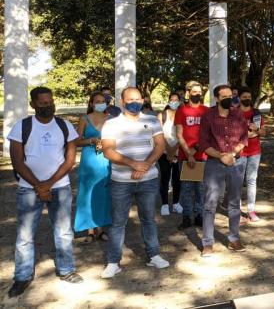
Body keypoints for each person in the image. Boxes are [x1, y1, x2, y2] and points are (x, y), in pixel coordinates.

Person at [7, 87, 83, 297]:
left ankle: (66, 269)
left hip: (60, 187)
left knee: (64, 231)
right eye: (42, 103)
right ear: (33, 105)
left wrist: (49, 183)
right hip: (28, 189)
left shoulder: (64, 125)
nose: (47, 106)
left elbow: (69, 160)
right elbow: (17, 161)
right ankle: (22, 277)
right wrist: (38, 186)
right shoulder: (22, 126)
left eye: (50, 102)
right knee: (24, 235)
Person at [100, 87, 170, 278]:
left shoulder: (151, 120)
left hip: (148, 180)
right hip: (121, 181)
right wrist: (133, 164)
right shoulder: (111, 124)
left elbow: (160, 145)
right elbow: (108, 150)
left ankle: (153, 255)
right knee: (118, 222)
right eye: (130, 99)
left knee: (148, 219)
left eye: (138, 99)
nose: (135, 102)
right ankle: (113, 261)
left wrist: (145, 165)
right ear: (122, 102)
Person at [198, 84, 250, 256]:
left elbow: (244, 138)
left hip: (236, 162)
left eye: (231, 95)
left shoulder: (238, 114)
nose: (230, 99)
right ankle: (208, 243)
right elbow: (204, 143)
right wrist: (221, 155)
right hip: (214, 164)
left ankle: (234, 238)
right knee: (210, 203)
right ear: (217, 98)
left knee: (234, 202)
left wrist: (232, 153)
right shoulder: (208, 116)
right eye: (225, 96)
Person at [74, 91, 112, 242]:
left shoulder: (111, 119)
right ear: (91, 103)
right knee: (87, 193)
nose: (100, 103)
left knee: (103, 193)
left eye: (103, 101)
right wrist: (91, 141)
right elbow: (76, 141)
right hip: (89, 160)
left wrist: (106, 144)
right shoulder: (84, 118)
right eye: (97, 101)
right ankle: (90, 230)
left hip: (106, 158)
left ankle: (102, 228)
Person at [175, 81, 209, 229]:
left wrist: (194, 152)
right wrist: (189, 154)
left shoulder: (206, 111)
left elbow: (208, 134)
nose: (197, 94)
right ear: (188, 93)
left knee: (200, 189)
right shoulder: (181, 111)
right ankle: (187, 217)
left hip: (202, 156)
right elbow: (179, 134)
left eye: (199, 92)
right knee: (186, 189)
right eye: (194, 92)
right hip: (185, 156)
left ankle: (199, 215)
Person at [238, 87, 267, 222]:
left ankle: (251, 210)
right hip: (239, 152)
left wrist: (256, 130)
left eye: (249, 97)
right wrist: (249, 134)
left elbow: (263, 132)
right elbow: (235, 134)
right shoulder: (235, 113)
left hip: (255, 152)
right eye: (244, 97)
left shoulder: (256, 113)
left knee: (251, 180)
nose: (247, 99)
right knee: (237, 181)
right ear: (239, 98)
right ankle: (236, 209)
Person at [159, 93, 183, 216]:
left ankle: (176, 203)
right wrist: (168, 150)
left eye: (176, 100)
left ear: (180, 101)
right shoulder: (162, 115)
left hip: (179, 151)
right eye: (171, 100)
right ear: (168, 101)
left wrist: (175, 149)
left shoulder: (183, 114)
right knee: (165, 177)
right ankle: (164, 204)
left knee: (177, 179)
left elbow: (184, 134)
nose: (174, 102)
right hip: (164, 152)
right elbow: (158, 133)